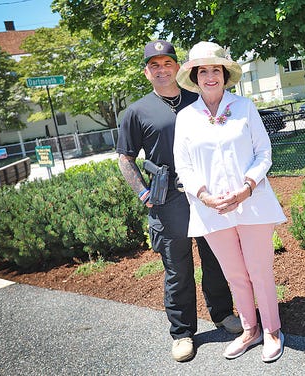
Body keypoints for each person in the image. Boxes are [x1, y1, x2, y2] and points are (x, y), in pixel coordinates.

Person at [116, 40, 242, 362]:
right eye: (154, 65)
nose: (161, 70)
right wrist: (143, 193)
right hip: (168, 197)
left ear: (178, 67)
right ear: (147, 72)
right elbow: (125, 158)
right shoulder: (136, 111)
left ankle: (223, 314)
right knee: (177, 268)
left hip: (203, 192)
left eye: (167, 63)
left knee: (214, 258)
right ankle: (182, 332)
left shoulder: (198, 99)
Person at [173, 41, 287, 362]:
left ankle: (272, 330)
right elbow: (184, 166)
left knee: (260, 271)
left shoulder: (245, 107)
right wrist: (205, 195)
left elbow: (264, 153)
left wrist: (247, 187)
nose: (211, 76)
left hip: (252, 203)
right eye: (203, 70)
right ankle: (249, 330)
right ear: (195, 76)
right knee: (234, 275)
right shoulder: (186, 117)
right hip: (212, 211)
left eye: (216, 70)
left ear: (225, 74)